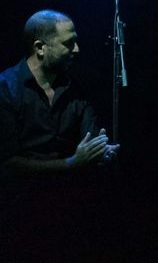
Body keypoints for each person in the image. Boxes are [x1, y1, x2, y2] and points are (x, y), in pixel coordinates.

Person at [0, 10, 118, 181]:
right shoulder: (6, 89)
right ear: (40, 48)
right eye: (68, 43)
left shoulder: (76, 88)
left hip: (70, 192)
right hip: (23, 196)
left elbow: (89, 138)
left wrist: (101, 152)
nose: (77, 49)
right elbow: (8, 163)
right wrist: (70, 164)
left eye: (75, 41)